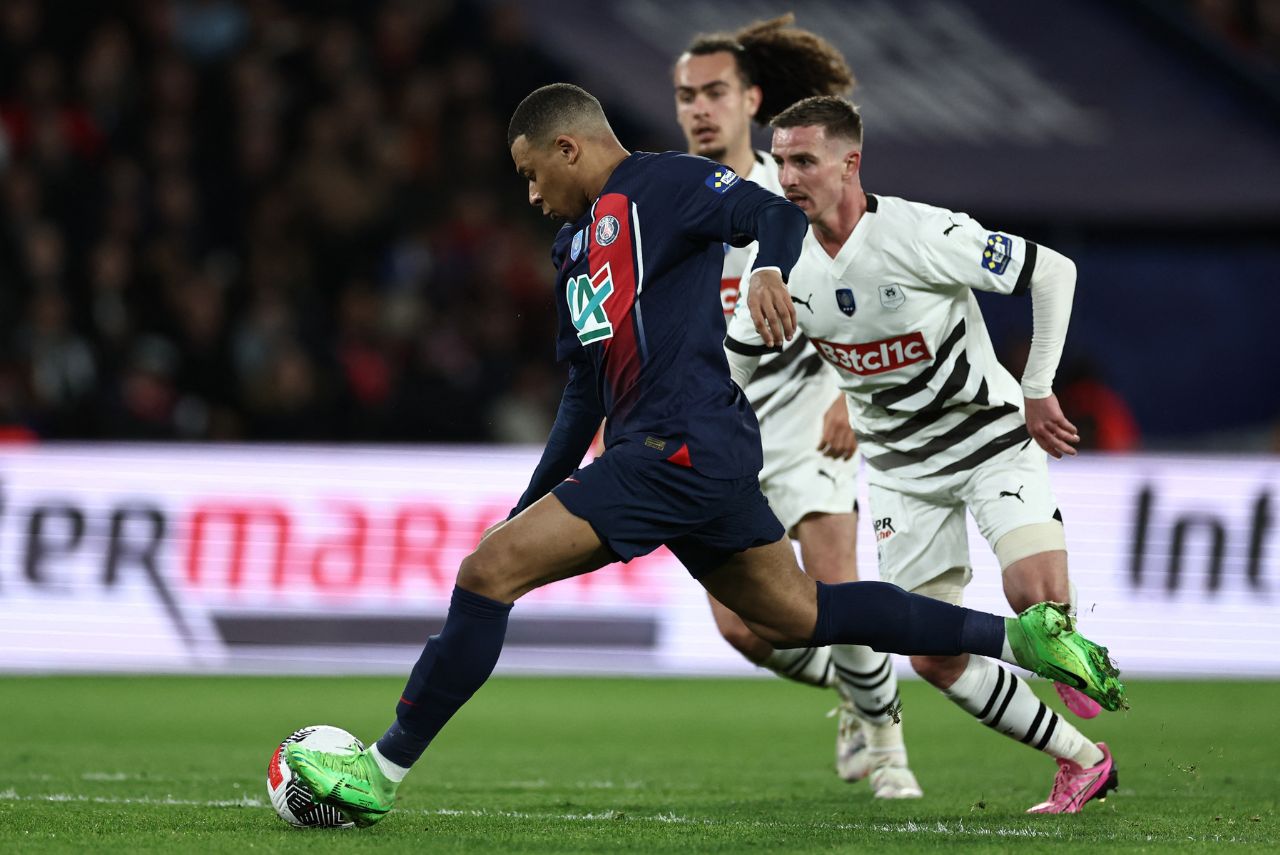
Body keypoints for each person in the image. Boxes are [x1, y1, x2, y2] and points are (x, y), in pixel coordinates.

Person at [283, 83, 1125, 827]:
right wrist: (529, 502)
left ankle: (379, 771)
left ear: (568, 147)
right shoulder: (574, 251)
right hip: (689, 453)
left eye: (533, 172)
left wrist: (767, 270)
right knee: (802, 615)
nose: (532, 194)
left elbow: (768, 213)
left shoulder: (666, 183)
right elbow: (583, 391)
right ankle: (1023, 642)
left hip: (677, 446)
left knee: (483, 576)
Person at [728, 95, 1118, 814]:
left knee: (1035, 602)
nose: (786, 176)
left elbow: (1052, 271)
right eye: (779, 160)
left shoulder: (921, 232)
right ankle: (1083, 761)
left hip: (988, 439)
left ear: (851, 164)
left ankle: (1062, 644)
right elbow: (736, 364)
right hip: (903, 473)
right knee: (932, 656)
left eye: (803, 160)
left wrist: (1037, 388)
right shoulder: (778, 266)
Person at [672, 16, 917, 797]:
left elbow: (866, 292)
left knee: (835, 580)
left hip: (807, 410)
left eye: (714, 92)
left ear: (752, 99)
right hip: (714, 433)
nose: (699, 108)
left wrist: (853, 390)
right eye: (685, 96)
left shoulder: (794, 185)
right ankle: (859, 691)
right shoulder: (661, 200)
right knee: (746, 627)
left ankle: (889, 753)